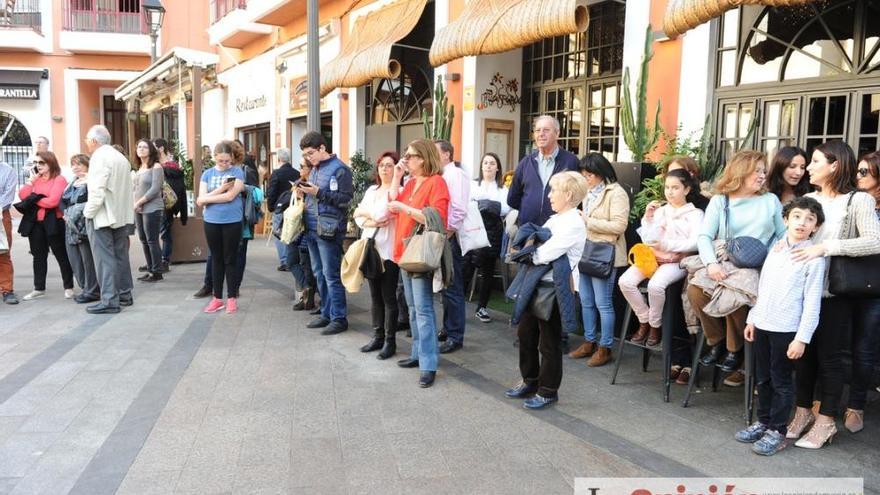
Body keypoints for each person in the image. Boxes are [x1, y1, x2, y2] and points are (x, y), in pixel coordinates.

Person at [787, 141, 880, 449]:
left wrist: (827, 247)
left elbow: (873, 242)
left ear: (834, 165)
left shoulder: (858, 201)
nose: (808, 168)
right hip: (803, 289)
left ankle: (826, 421)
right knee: (803, 356)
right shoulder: (808, 198)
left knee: (831, 358)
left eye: (814, 161)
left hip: (834, 292)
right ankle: (802, 413)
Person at [735, 196, 825, 456]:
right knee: (762, 378)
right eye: (796, 216)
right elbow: (763, 288)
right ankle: (763, 421)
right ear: (785, 220)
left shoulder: (814, 260)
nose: (802, 222)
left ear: (815, 227)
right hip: (763, 323)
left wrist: (802, 338)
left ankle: (777, 429)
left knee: (781, 380)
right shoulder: (775, 249)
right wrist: (753, 318)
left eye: (810, 219)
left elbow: (812, 303)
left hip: (787, 329)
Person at [688, 150, 786, 374]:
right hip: (724, 259)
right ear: (740, 172)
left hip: (757, 264)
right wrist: (711, 264)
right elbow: (704, 237)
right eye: (757, 171)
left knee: (737, 294)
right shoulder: (720, 201)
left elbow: (783, 234)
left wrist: (780, 249)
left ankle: (735, 348)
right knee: (695, 290)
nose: (762, 176)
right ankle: (716, 341)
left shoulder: (770, 201)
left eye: (763, 171)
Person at [504, 171, 589, 409]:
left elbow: (545, 253)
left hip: (555, 289)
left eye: (554, 191)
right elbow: (537, 245)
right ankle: (530, 381)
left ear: (569, 194)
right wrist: (532, 250)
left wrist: (527, 253)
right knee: (525, 335)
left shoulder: (573, 222)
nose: (550, 195)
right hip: (538, 284)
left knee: (549, 342)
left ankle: (548, 390)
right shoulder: (556, 219)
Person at [387, 139, 450, 388]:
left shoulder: (437, 182)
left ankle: (428, 363)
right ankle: (417, 354)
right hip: (405, 251)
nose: (406, 158)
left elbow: (437, 218)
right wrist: (397, 175)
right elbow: (393, 204)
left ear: (422, 158)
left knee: (423, 310)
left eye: (410, 155)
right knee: (413, 308)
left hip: (420, 252)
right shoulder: (412, 182)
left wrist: (406, 208)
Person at [618, 169, 704, 347]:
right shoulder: (661, 210)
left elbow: (694, 243)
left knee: (656, 285)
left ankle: (655, 326)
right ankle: (644, 320)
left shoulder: (695, 215)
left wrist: (667, 245)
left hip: (677, 260)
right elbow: (649, 239)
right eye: (667, 187)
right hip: (653, 256)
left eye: (675, 188)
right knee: (625, 281)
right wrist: (648, 219)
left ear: (686, 190)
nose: (670, 192)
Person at [568, 153, 629, 367]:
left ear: (601, 173)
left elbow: (619, 227)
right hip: (587, 251)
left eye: (590, 174)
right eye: (583, 174)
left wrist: (588, 221)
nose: (586, 178)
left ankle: (605, 347)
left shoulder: (616, 192)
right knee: (586, 300)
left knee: (603, 303)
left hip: (605, 254)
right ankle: (589, 341)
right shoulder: (587, 193)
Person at [299, 131, 353, 334]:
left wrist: (318, 193)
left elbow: (346, 199)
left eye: (311, 153)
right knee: (319, 273)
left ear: (323, 148)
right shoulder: (315, 168)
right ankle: (326, 313)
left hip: (329, 229)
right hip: (312, 227)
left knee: (331, 275)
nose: (309, 158)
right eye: (306, 154)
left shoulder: (340, 169)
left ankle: (339, 318)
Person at [844, 151, 880, 433]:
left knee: (864, 348)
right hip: (844, 281)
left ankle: (856, 405)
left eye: (865, 171)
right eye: (858, 170)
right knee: (831, 344)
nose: (858, 176)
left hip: (874, 286)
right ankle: (823, 402)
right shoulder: (850, 200)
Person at [83, 125, 135, 314]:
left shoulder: (99, 157)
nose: (86, 143)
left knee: (104, 259)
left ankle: (109, 300)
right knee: (120, 255)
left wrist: (88, 213)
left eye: (87, 139)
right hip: (120, 214)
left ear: (94, 141)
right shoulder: (120, 157)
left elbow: (97, 190)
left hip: (103, 215)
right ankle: (124, 294)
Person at [353, 151, 400, 359]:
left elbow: (385, 215)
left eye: (389, 165)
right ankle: (377, 336)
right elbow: (357, 215)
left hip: (389, 251)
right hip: (371, 248)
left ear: (397, 169)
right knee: (374, 297)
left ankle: (390, 341)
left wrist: (369, 216)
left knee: (389, 297)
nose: (384, 169)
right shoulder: (372, 190)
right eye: (382, 165)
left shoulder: (398, 191)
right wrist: (372, 219)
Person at [196, 141, 246, 314]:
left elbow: (231, 197)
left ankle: (231, 298)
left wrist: (208, 198)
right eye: (221, 161)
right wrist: (222, 189)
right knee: (216, 259)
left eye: (227, 161)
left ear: (232, 157)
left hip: (232, 220)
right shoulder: (207, 174)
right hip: (211, 221)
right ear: (214, 158)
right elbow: (199, 199)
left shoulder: (237, 172)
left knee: (230, 259)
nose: (224, 164)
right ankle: (217, 298)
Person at [17, 151, 75, 301]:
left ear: (50, 163)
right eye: (36, 163)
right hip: (35, 223)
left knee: (61, 255)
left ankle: (68, 287)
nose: (38, 166)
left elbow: (53, 202)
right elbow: (22, 195)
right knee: (38, 256)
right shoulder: (36, 180)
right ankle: (38, 288)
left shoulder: (59, 179)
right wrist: (31, 182)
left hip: (54, 222)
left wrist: (33, 199)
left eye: (41, 163)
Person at [507, 115, 579, 227]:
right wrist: (528, 210)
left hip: (558, 230)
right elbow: (512, 198)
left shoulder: (571, 162)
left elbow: (578, 198)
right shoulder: (526, 163)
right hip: (528, 230)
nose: (541, 134)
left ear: (557, 134)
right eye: (537, 130)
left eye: (546, 130)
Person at [463, 152, 510, 323]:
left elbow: (505, 209)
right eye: (485, 163)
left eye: (492, 163)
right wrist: (489, 205)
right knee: (467, 267)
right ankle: (458, 305)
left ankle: (482, 307)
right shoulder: (472, 185)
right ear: (481, 166)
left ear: (497, 168)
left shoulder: (503, 189)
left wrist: (485, 205)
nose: (488, 166)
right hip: (473, 229)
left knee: (488, 271)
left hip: (493, 233)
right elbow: (467, 204)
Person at [434, 140, 469, 353]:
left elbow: (458, 209)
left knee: (453, 287)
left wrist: (448, 232)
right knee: (446, 285)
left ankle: (456, 335)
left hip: (451, 237)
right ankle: (448, 329)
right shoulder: (442, 175)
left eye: (436, 152)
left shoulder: (455, 175)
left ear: (446, 154)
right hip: (444, 235)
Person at [61, 154, 100, 304]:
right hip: (69, 223)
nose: (75, 167)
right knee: (74, 258)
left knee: (87, 259)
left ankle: (92, 290)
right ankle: (85, 287)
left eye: (79, 164)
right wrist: (65, 214)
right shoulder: (72, 183)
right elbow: (62, 201)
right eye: (73, 164)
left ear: (87, 165)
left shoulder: (91, 182)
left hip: (83, 225)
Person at [132, 139, 165, 282]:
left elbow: (155, 189)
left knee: (152, 240)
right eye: (139, 147)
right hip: (138, 208)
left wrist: (140, 202)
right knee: (143, 240)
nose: (141, 149)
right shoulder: (139, 168)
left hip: (151, 208)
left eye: (145, 147)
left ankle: (157, 271)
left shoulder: (156, 167)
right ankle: (150, 268)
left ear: (151, 150)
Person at [154, 138, 186, 272]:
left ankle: (163, 260)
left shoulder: (162, 167)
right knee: (162, 233)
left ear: (160, 149)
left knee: (163, 233)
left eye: (153, 147)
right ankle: (160, 260)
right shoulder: (175, 165)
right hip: (168, 203)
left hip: (163, 202)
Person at [267, 148, 300, 271]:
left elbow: (271, 191)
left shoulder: (276, 173)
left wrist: (271, 207)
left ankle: (285, 261)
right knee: (292, 233)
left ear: (279, 159)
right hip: (293, 208)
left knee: (279, 234)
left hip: (280, 208)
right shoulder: (297, 173)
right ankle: (293, 259)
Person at [0, 156, 17, 304]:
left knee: (3, 252)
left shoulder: (8, 171)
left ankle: (7, 290)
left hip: (1, 214)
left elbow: (8, 195)